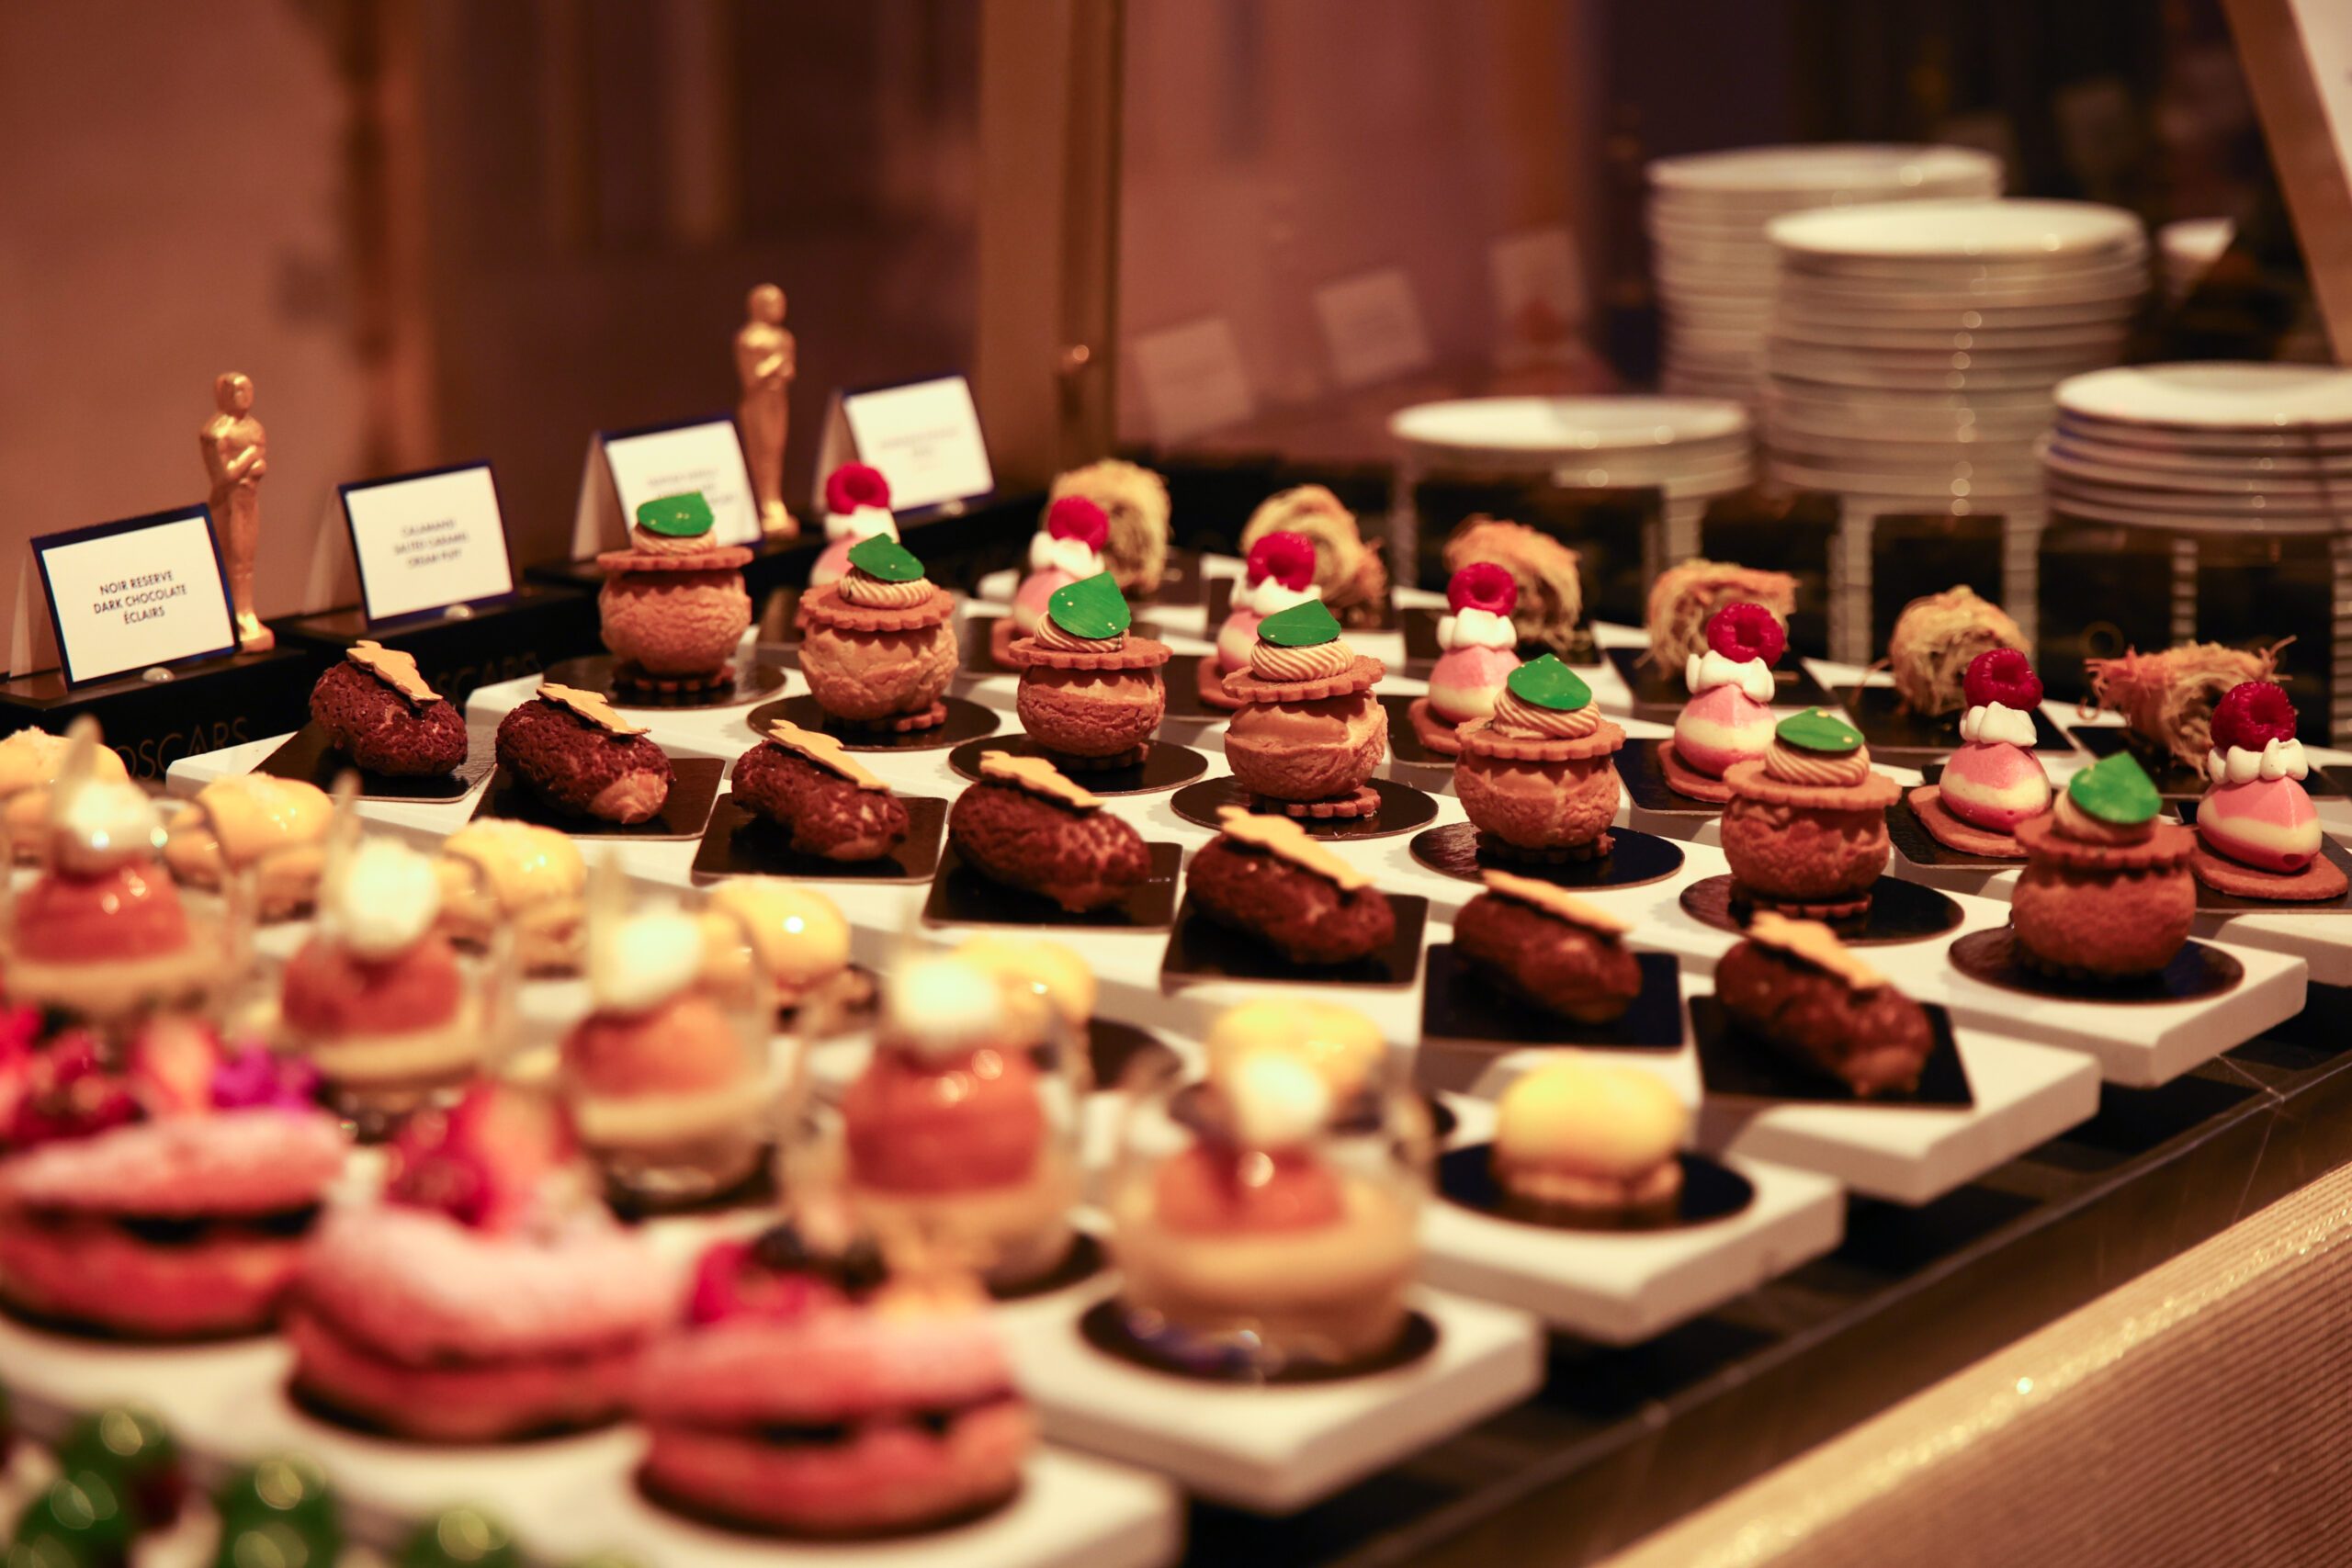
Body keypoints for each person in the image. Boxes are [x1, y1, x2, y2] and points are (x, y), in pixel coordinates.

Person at [199, 371, 273, 652]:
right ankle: (233, 617)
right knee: (230, 561)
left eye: (249, 389)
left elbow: (260, 468)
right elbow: (224, 476)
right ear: (226, 395)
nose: (247, 396)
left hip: (248, 500)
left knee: (246, 562)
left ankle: (246, 612)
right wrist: (250, 458)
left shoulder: (254, 428)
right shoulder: (216, 433)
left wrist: (253, 465)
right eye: (240, 391)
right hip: (226, 504)